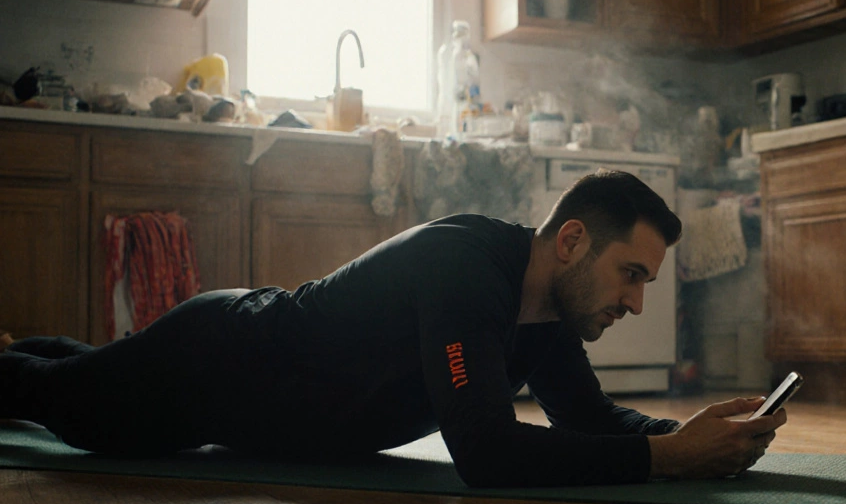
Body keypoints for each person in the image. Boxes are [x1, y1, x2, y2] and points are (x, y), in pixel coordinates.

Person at [1, 169, 787, 487]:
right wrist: (668, 460)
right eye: (632, 275)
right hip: (209, 368)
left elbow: (588, 419)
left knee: (81, 373)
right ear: (574, 241)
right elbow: (482, 450)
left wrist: (686, 431)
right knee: (58, 406)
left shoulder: (547, 309)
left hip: (242, 388)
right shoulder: (465, 267)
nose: (637, 303)